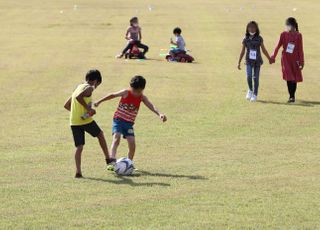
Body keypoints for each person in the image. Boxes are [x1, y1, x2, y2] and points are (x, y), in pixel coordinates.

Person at [94, 75, 167, 170]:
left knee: (132, 144)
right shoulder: (126, 92)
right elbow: (112, 95)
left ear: (142, 89)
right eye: (134, 90)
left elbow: (151, 105)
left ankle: (129, 163)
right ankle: (111, 161)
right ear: (130, 87)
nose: (136, 93)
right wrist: (99, 101)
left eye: (139, 91)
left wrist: (159, 114)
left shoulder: (142, 97)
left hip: (129, 124)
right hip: (118, 120)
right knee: (116, 139)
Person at [64, 70, 114, 178]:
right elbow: (79, 98)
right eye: (98, 84)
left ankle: (78, 171)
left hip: (74, 121)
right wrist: (89, 110)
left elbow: (67, 105)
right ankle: (108, 159)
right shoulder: (90, 87)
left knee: (79, 147)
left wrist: (78, 114)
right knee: (100, 135)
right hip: (85, 121)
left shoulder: (79, 86)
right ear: (96, 81)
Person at [271, 17, 304, 103]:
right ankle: (291, 96)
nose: (289, 27)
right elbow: (277, 46)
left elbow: (300, 49)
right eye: (287, 25)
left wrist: (302, 62)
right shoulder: (283, 34)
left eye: (290, 26)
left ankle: (293, 95)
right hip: (286, 59)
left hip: (295, 59)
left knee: (294, 78)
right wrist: (273, 56)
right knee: (289, 77)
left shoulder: (298, 35)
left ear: (294, 26)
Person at [238, 21, 272, 102]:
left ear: (256, 28)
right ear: (247, 28)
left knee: (256, 78)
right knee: (249, 76)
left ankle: (255, 94)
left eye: (253, 27)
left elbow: (263, 50)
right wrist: (239, 62)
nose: (252, 29)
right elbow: (242, 51)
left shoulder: (259, 38)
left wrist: (269, 58)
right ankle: (250, 90)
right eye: (250, 27)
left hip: (257, 61)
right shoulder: (245, 39)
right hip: (249, 61)